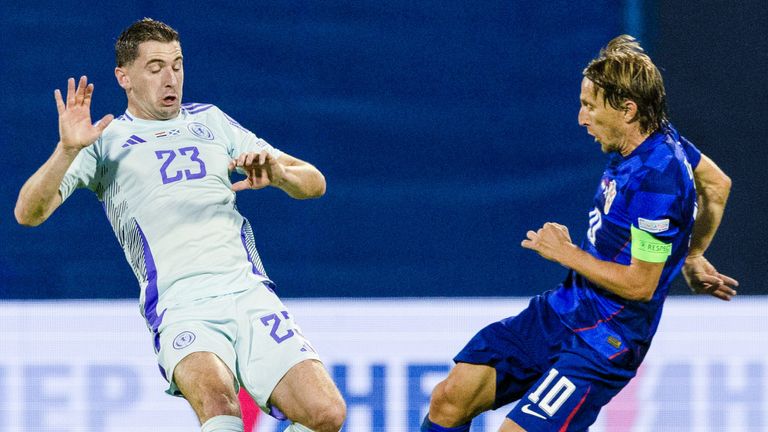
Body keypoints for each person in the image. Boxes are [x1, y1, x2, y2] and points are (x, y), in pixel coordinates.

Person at [14, 18, 345, 432]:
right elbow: (28, 213)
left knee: (327, 415)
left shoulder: (211, 120)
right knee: (221, 407)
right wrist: (65, 151)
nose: (171, 78)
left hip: (248, 293)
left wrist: (278, 173)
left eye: (177, 64)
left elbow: (315, 183)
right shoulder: (105, 140)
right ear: (124, 77)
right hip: (181, 305)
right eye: (155, 68)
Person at [420, 35, 738, 432]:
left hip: (605, 339)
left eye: (589, 106)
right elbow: (717, 183)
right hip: (565, 310)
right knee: (450, 399)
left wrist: (565, 252)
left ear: (627, 109)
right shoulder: (656, 133)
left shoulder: (656, 179)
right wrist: (691, 255)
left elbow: (641, 285)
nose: (581, 118)